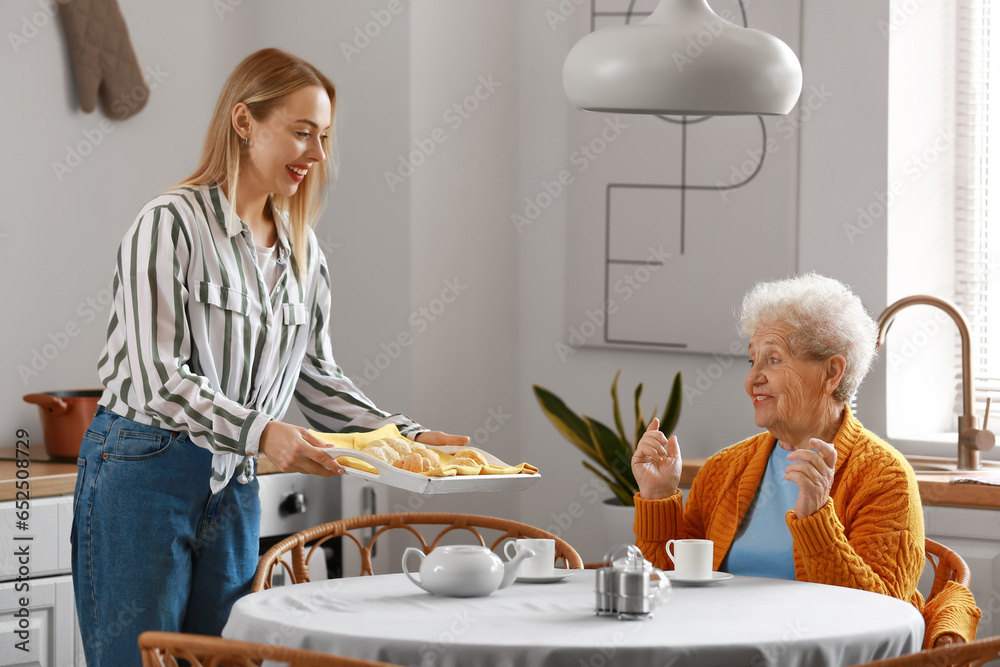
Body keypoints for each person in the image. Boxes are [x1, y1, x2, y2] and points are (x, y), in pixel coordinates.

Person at [71, 48, 469, 666]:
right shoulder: (169, 224)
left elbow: (316, 377)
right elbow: (155, 381)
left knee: (228, 660)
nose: (317, 154)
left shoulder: (302, 252)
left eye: (325, 137)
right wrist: (265, 434)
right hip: (144, 474)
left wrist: (403, 437)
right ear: (244, 122)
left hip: (235, 483)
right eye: (302, 132)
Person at [631, 273, 980, 647]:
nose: (752, 380)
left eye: (774, 359)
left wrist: (816, 520)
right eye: (753, 360)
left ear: (831, 372)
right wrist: (658, 495)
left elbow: (880, 617)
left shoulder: (884, 476)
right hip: (721, 648)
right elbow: (667, 592)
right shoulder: (723, 469)